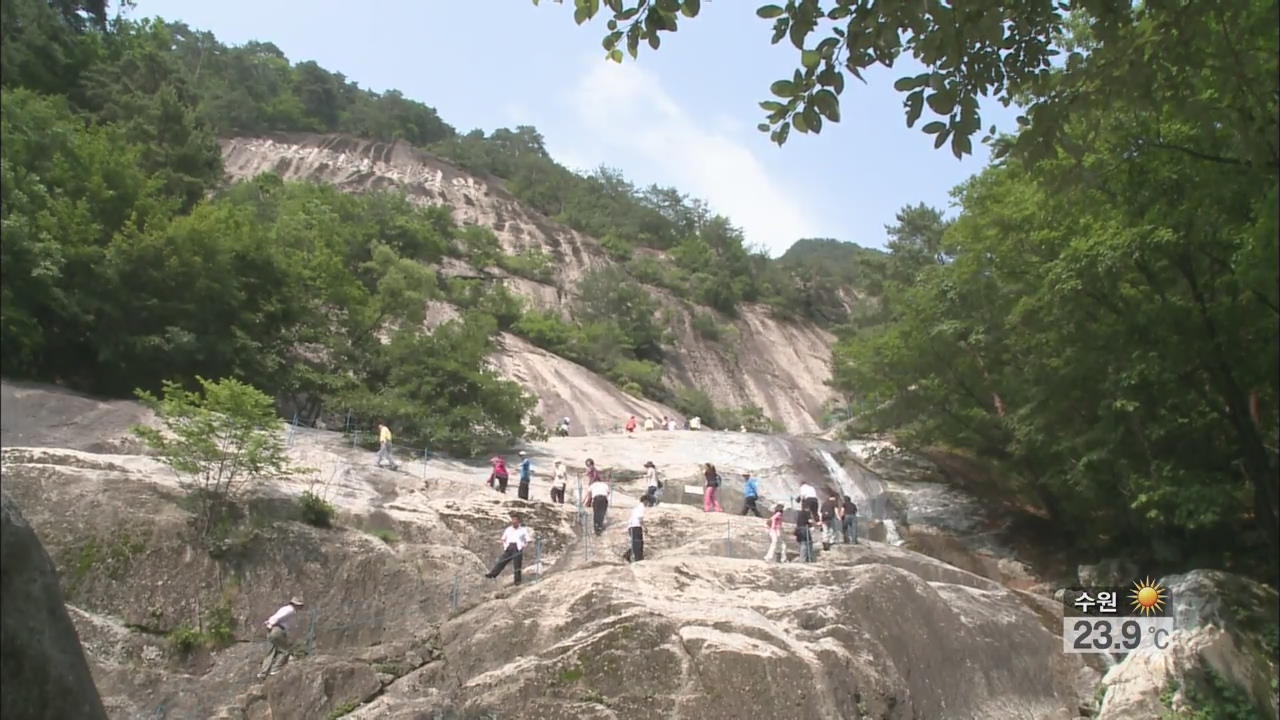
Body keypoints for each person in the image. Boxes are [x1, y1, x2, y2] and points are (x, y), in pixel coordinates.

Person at [257, 596, 304, 679]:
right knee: (285, 650)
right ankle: (275, 669)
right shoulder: (290, 610)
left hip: (272, 631)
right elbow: (277, 617)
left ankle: (263, 673)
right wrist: (271, 623)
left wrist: (269, 623)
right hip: (277, 630)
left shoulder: (285, 608)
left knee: (271, 651)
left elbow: (276, 616)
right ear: (296, 605)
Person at [484, 513, 531, 585]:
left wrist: (523, 546)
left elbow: (527, 540)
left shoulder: (523, 530)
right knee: (502, 561)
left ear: (518, 521)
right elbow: (503, 538)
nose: (514, 522)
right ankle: (493, 574)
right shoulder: (508, 529)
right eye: (513, 520)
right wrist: (505, 546)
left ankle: (517, 581)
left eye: (515, 520)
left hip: (517, 547)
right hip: (509, 546)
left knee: (517, 565)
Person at [583, 464, 610, 535]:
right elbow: (608, 493)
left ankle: (596, 529)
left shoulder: (593, 485)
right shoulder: (605, 485)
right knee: (602, 513)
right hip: (604, 499)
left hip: (597, 499)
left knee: (596, 514)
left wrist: (585, 503)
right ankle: (600, 526)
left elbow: (588, 496)